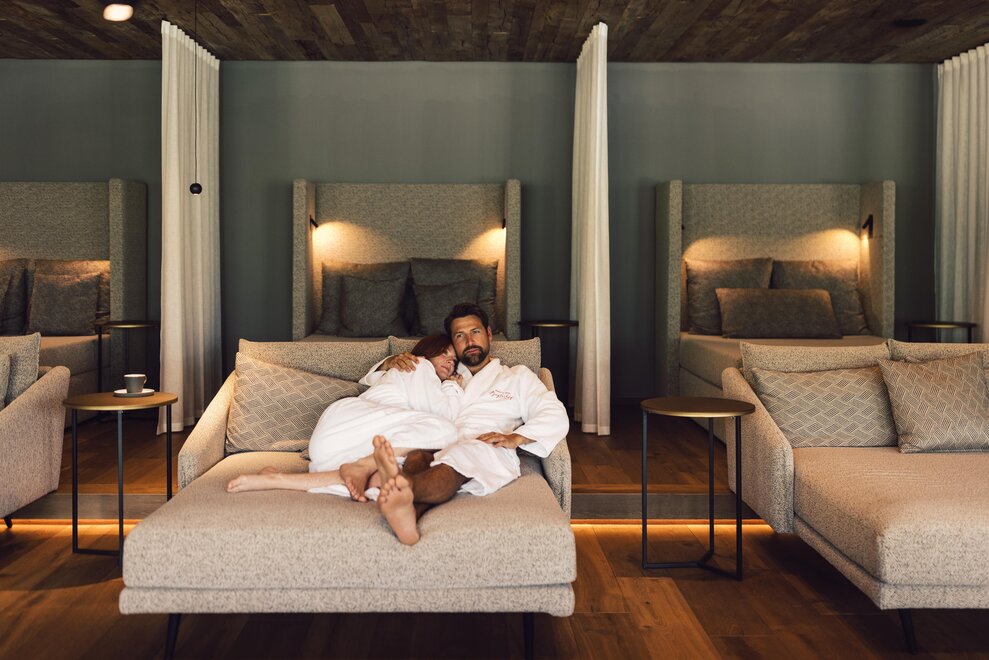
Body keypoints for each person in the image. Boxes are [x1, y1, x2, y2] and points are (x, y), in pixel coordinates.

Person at [370, 302, 569, 545]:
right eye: (460, 336)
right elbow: (397, 382)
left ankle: (403, 487)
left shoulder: (517, 376)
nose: (469, 341)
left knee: (459, 456)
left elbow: (553, 412)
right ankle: (406, 514)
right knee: (417, 457)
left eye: (475, 332)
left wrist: (516, 437)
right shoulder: (443, 370)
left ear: (488, 333)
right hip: (435, 438)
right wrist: (388, 363)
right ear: (453, 343)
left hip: (483, 445)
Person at [226, 334, 464, 499]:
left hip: (330, 444)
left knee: (384, 478)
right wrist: (453, 386)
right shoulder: (418, 365)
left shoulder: (402, 380)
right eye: (444, 353)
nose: (450, 362)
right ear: (427, 352)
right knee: (448, 432)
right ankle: (362, 466)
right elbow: (443, 415)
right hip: (352, 423)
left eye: (454, 360)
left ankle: (278, 479)